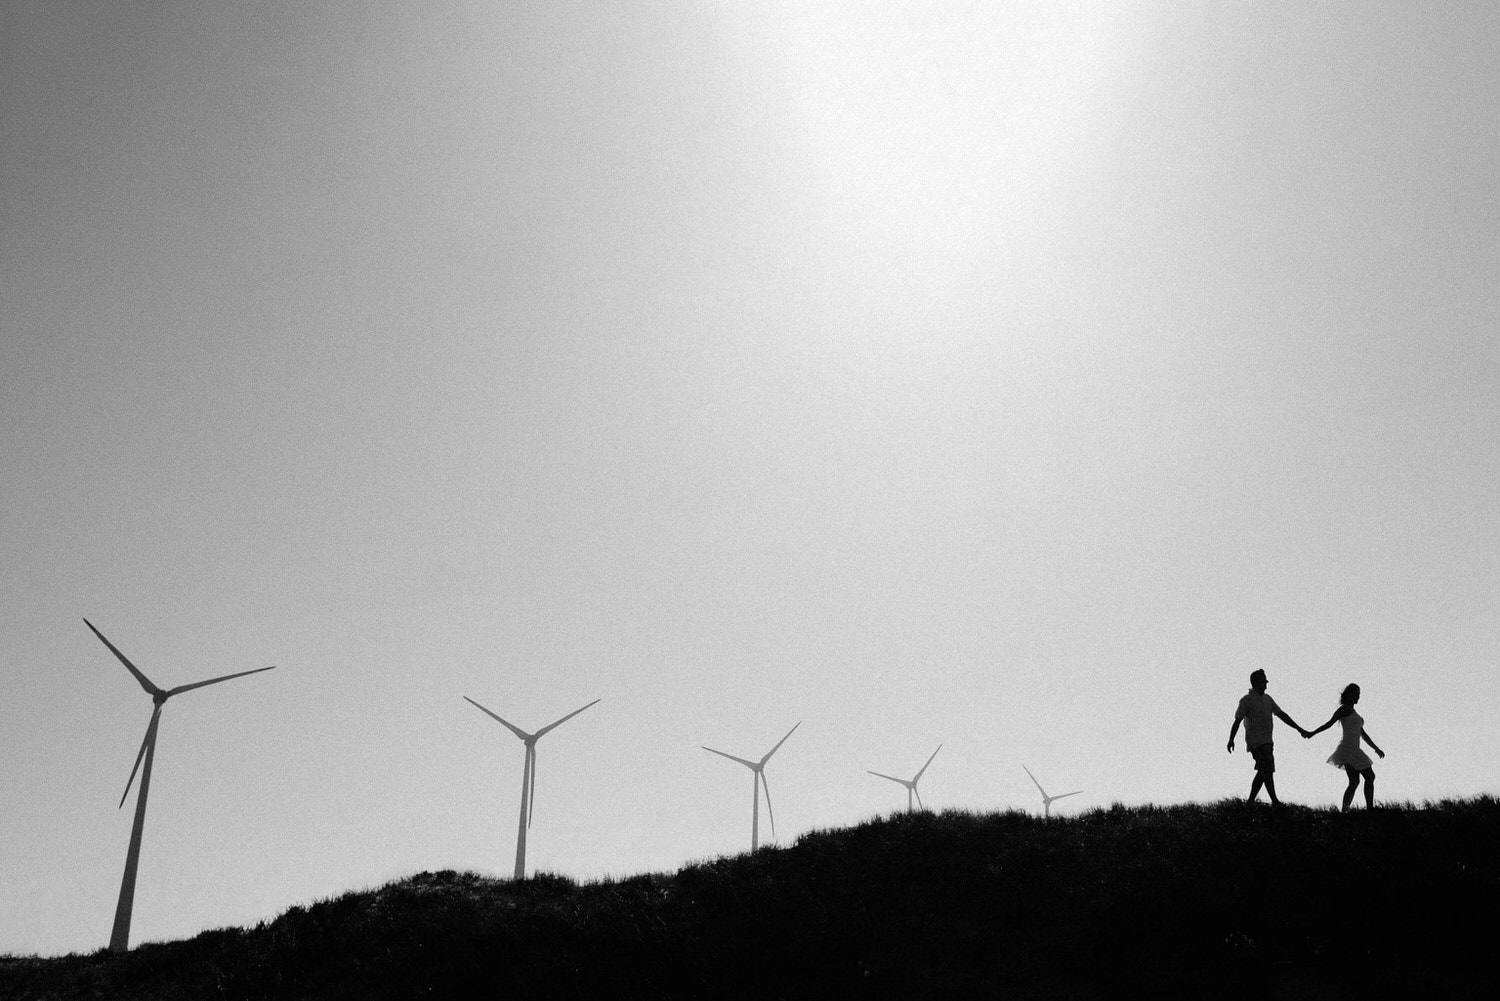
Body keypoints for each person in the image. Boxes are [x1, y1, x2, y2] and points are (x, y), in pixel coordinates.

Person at [1227, 669, 1309, 806]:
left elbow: (1282, 715)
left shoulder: (1268, 699)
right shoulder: (1246, 700)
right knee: (1267, 769)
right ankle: (1274, 800)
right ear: (1256, 682)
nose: (1266, 682)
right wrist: (1231, 739)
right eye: (1264, 680)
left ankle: (1251, 801)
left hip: (1267, 741)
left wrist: (1298, 728)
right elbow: (1237, 720)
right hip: (1255, 742)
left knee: (1263, 770)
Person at [1304, 683, 1385, 812]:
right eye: (1356, 694)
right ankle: (1367, 808)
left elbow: (1363, 735)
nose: (1358, 697)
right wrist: (1312, 733)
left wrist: (1376, 748)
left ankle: (1346, 810)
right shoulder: (1344, 709)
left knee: (1355, 781)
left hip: (1353, 749)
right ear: (1350, 695)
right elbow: (1329, 724)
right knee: (1368, 777)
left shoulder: (1354, 713)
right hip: (1348, 749)